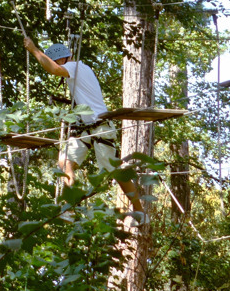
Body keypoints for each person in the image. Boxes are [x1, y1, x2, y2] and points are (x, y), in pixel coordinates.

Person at [23, 36, 142, 212]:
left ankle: (139, 209)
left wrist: (34, 49)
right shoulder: (77, 69)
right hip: (86, 127)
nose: (58, 65)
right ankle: (69, 208)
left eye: (57, 61)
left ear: (63, 59)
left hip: (100, 125)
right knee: (65, 162)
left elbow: (53, 69)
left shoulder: (75, 66)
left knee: (114, 171)